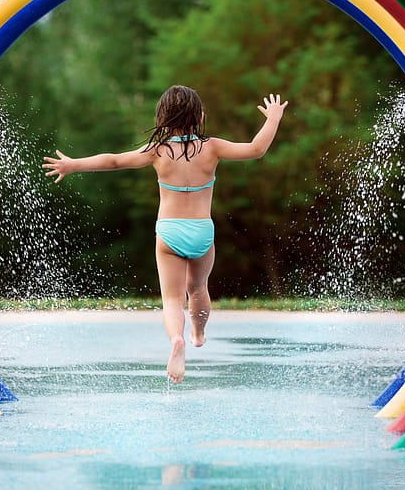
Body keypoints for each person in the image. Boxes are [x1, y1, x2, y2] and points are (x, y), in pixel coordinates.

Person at [43, 85, 288, 383]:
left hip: (170, 231)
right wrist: (273, 118)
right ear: (199, 116)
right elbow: (256, 149)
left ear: (163, 118)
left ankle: (177, 340)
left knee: (172, 300)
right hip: (201, 231)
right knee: (197, 288)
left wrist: (73, 165)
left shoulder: (158, 150)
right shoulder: (212, 147)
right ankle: (198, 332)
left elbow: (114, 160)